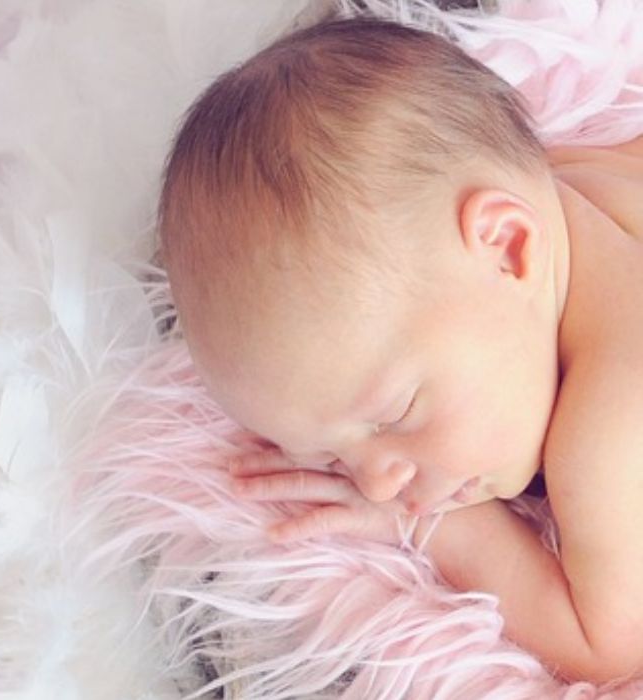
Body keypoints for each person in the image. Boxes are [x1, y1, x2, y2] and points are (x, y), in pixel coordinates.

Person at [156, 15, 643, 686]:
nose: (377, 485)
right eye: (330, 458)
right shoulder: (574, 184)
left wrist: (445, 529)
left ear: (509, 248)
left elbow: (610, 647)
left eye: (394, 416)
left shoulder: (612, 429)